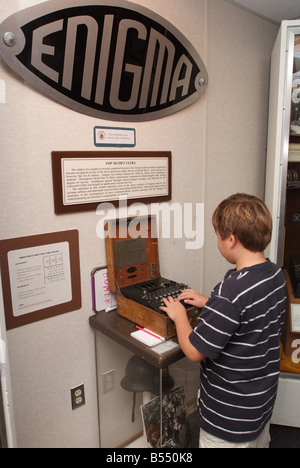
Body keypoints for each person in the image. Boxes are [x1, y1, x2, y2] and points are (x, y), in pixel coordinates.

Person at [160, 193, 286, 448]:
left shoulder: (230, 292)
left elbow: (195, 351)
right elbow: (250, 314)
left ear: (230, 239)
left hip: (228, 420)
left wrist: (180, 316)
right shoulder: (274, 274)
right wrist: (210, 303)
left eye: (217, 235)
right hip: (258, 407)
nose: (217, 240)